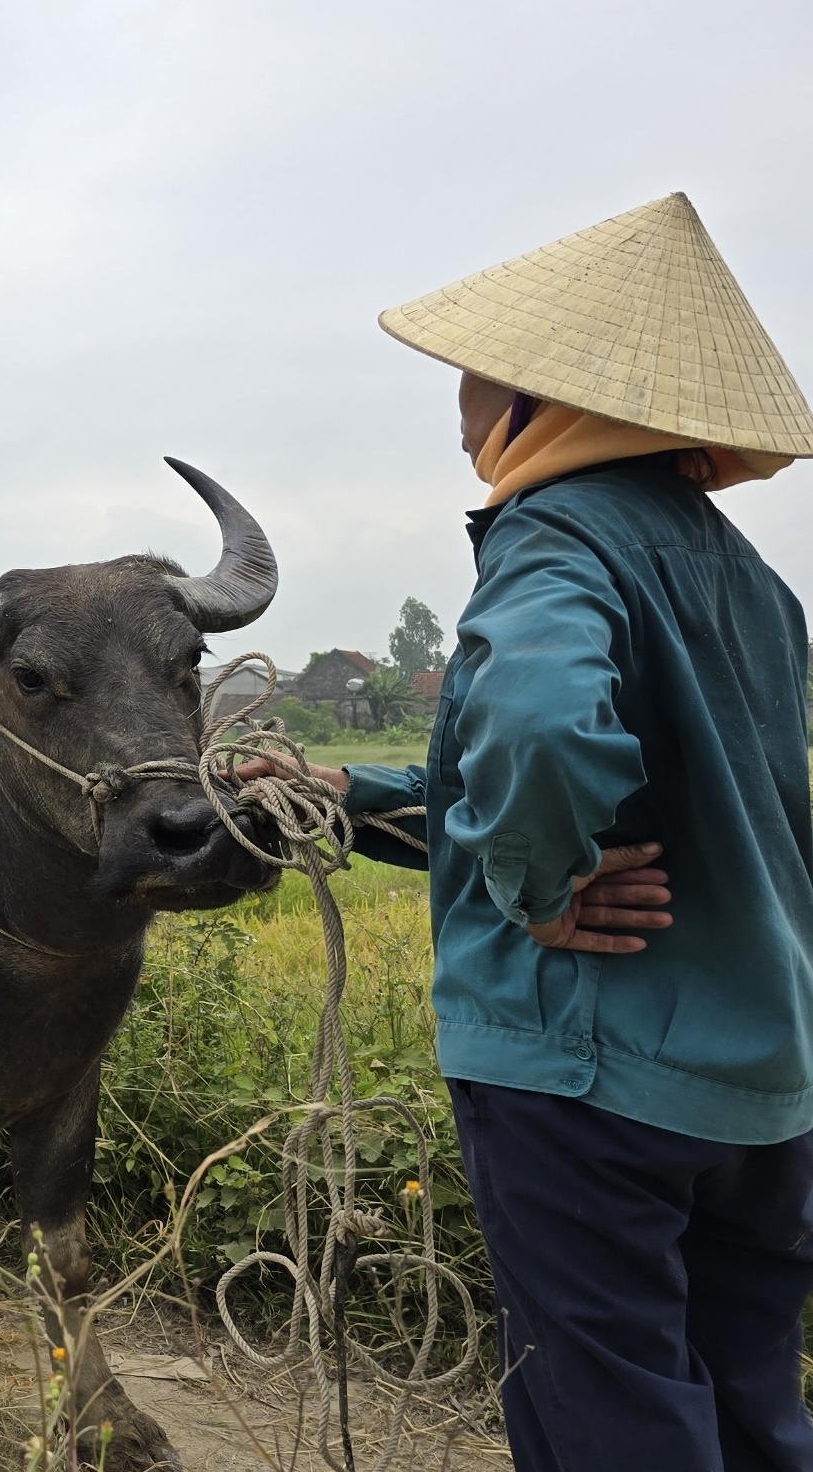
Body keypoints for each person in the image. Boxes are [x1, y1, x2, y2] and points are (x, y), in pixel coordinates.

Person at [275, 194, 813, 1470]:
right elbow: (579, 772)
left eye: (476, 375)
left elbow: (535, 729)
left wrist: (536, 885)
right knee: (744, 1402)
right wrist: (343, 796)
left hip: (590, 1074)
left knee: (609, 1412)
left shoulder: (552, 537)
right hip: (760, 1080)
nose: (457, 402)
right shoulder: (747, 580)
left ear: (547, 402)